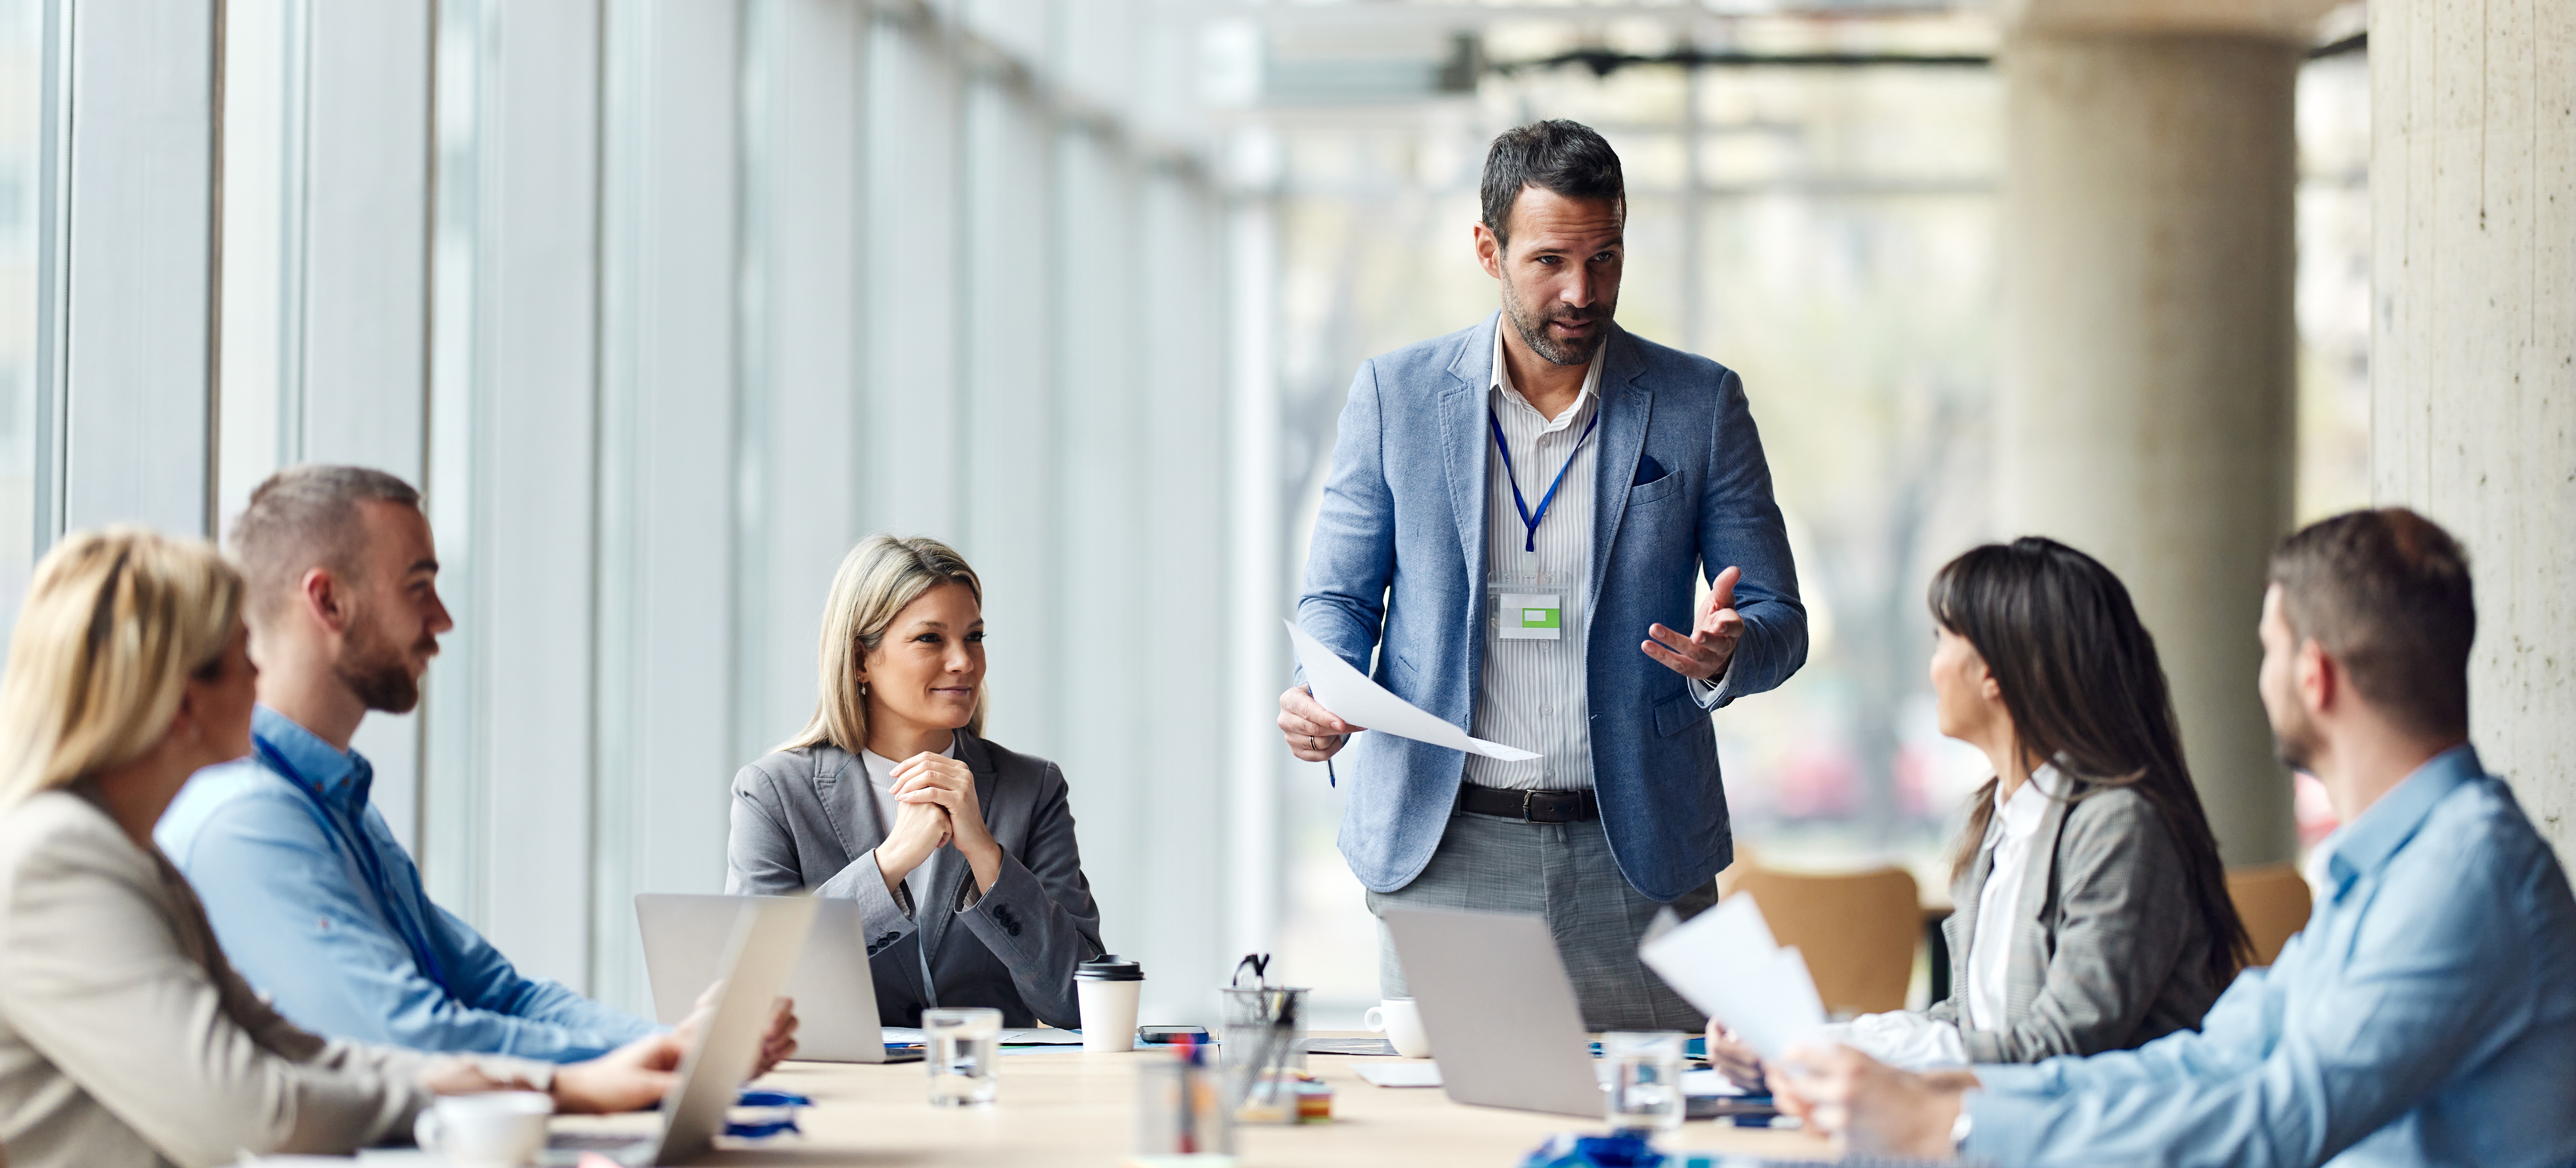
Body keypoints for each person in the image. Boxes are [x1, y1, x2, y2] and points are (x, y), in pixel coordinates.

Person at [1772, 509, 2576, 1166]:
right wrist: (1954, 1099)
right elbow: (2210, 1058)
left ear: (2314, 676)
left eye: (2267, 649)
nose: (2258, 677)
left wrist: (1954, 1126)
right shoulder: (2388, 869)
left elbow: (2281, 1118)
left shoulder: (2464, 874)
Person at [1282, 119, 1807, 1030]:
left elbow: (1777, 616)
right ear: (1488, 250)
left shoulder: (1699, 404)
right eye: (1550, 261)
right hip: (1447, 849)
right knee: (1457, 1111)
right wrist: (1320, 689)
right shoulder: (1396, 397)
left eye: (1605, 259)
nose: (1581, 291)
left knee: (1662, 1104)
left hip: (1638, 852)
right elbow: (1338, 596)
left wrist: (1731, 652)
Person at [0, 528, 691, 1168]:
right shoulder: (60, 861)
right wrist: (453, 1099)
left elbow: (295, 1049)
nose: (260, 675)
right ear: (182, 704)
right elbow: (253, 1110)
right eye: (243, 657)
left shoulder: (133, 858)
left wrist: (554, 1088)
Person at [155, 466, 794, 1065]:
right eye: (418, 587)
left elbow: (497, 995)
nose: (442, 619)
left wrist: (674, 1043)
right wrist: (664, 1056)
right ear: (329, 601)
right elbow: (412, 1038)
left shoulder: (338, 805)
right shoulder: (246, 817)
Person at [1707, 538, 2249, 1084]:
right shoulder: (1999, 819)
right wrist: (1804, 1047)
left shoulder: (2116, 828)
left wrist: (1837, 1057)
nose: (1933, 667)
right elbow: (1968, 1024)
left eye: (1943, 641)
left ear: (1993, 670)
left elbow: (2058, 1048)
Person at [727, 535, 1103, 1029]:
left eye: (975, 636)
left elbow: (1080, 1001)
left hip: (989, 1078)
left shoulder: (1033, 789)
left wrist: (988, 857)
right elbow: (753, 995)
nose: (964, 662)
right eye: (931, 638)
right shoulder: (773, 793)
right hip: (840, 1079)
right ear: (861, 660)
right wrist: (890, 863)